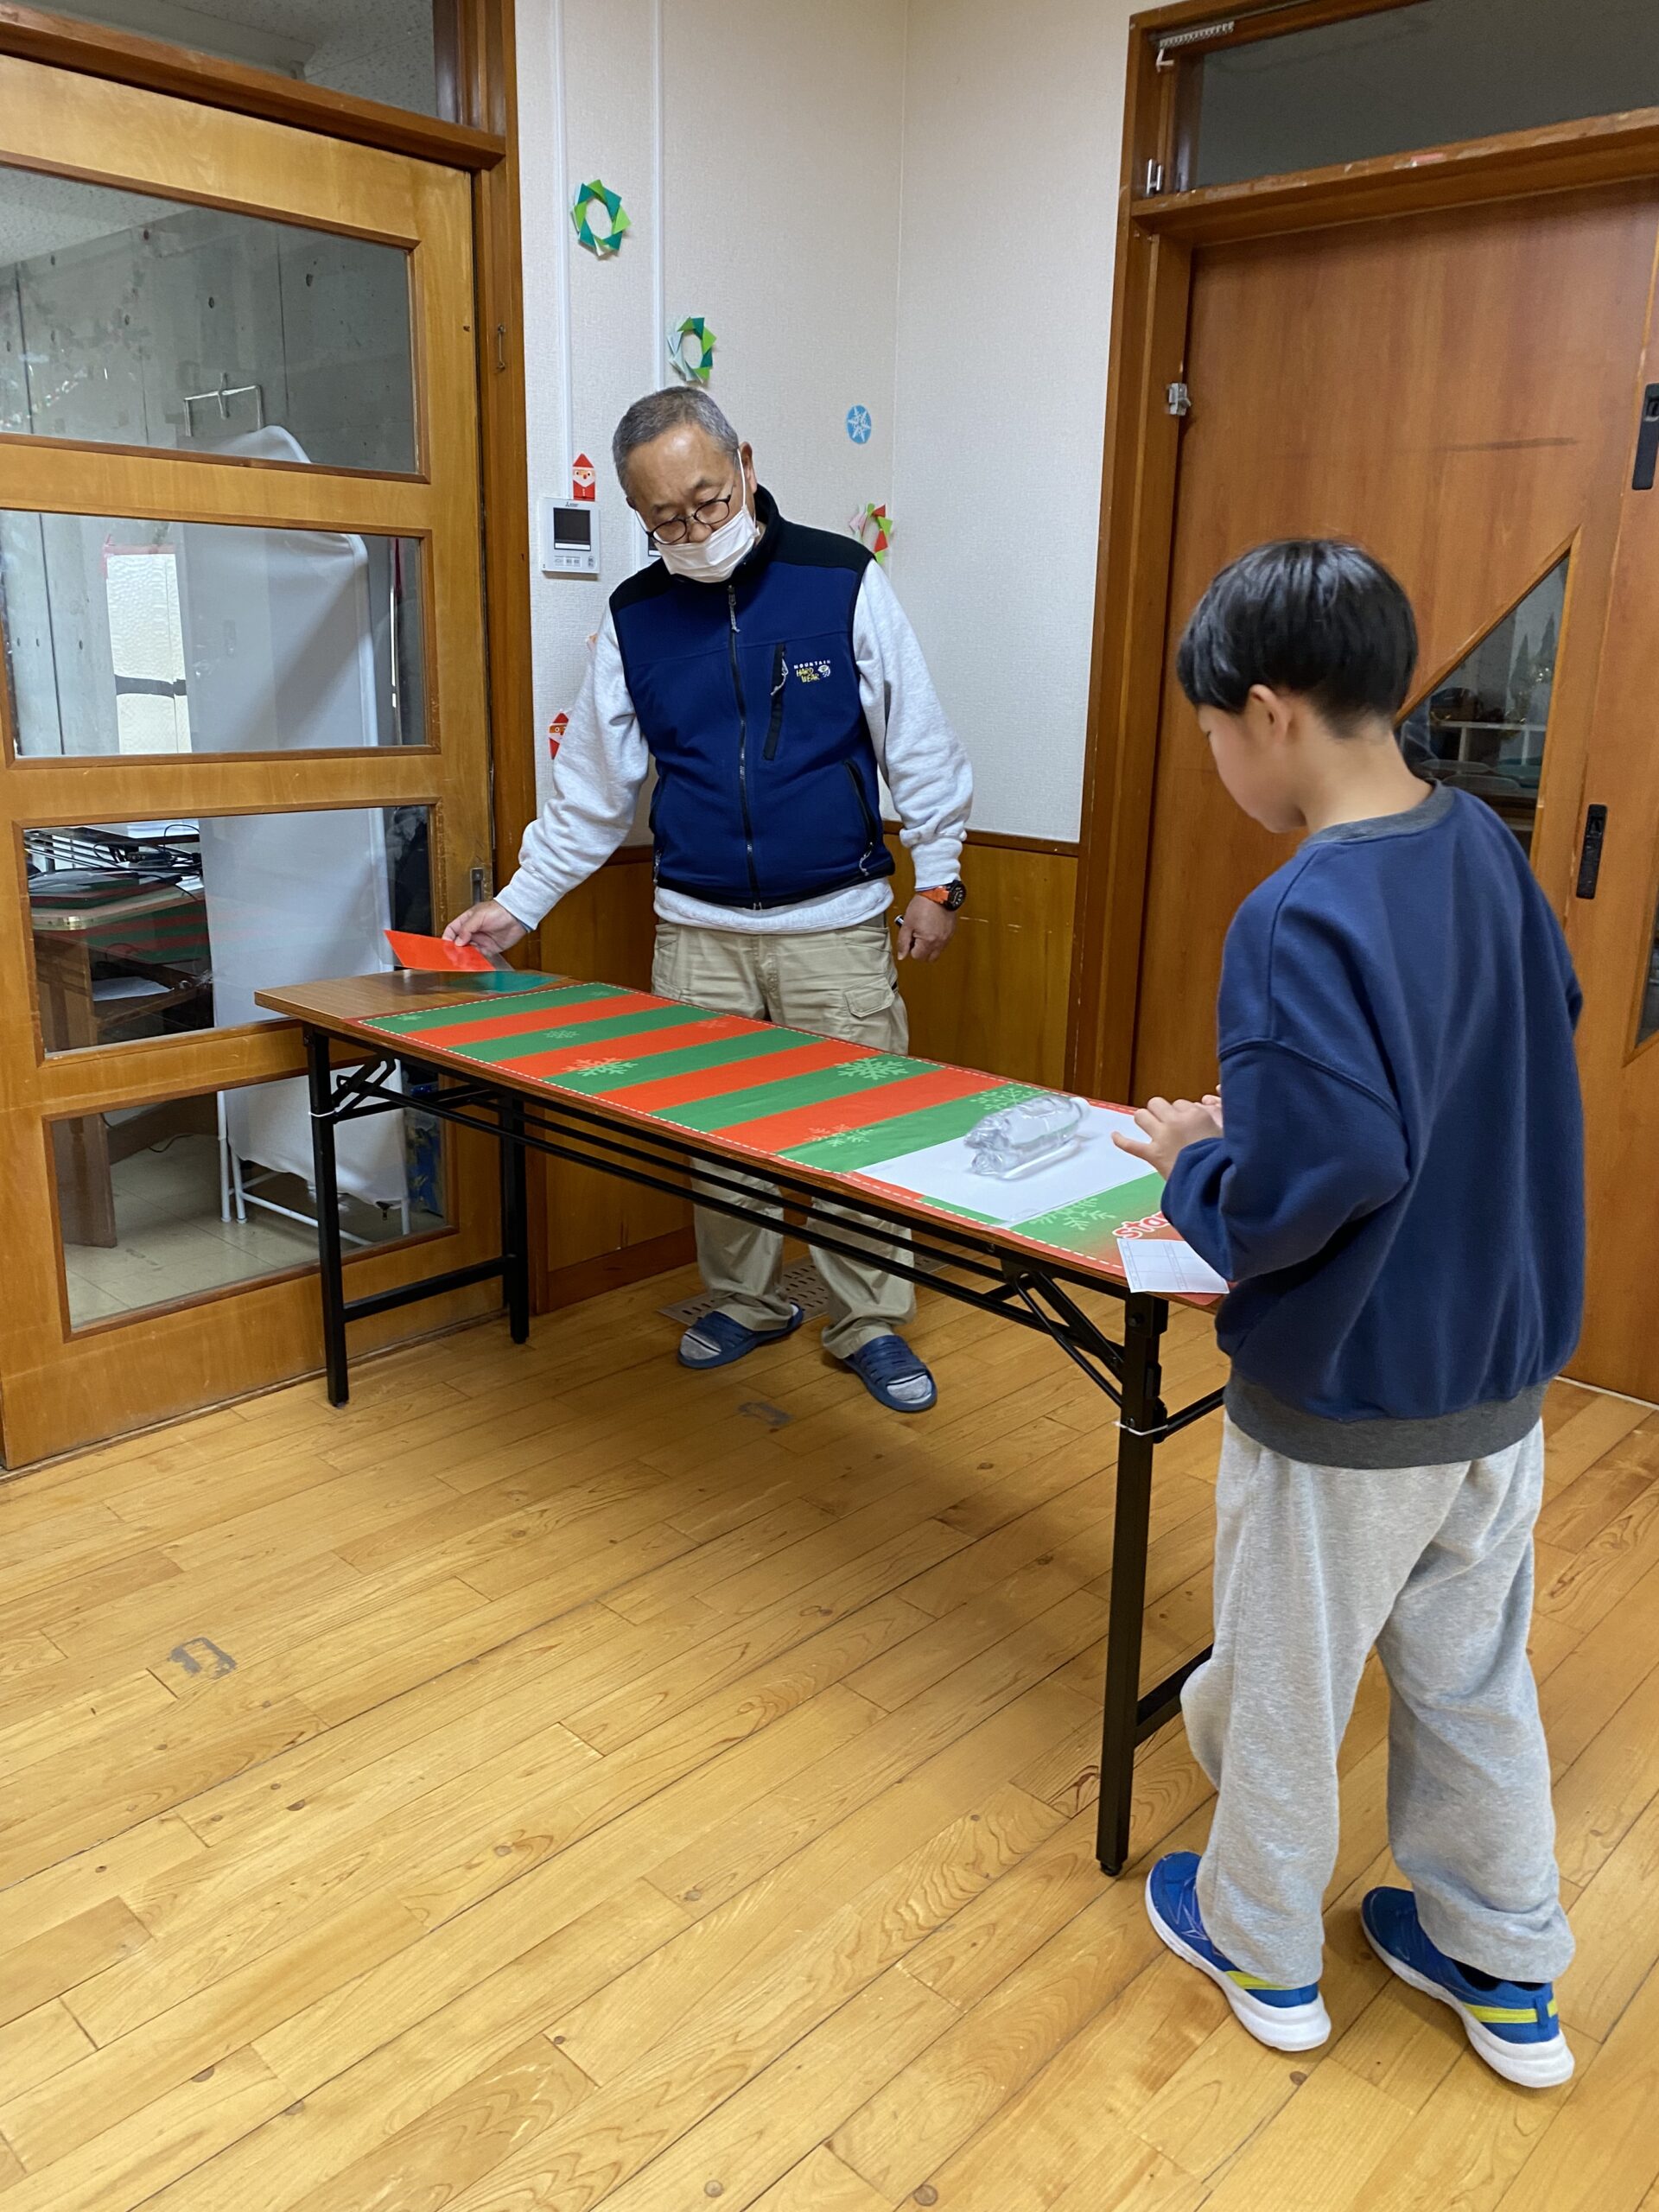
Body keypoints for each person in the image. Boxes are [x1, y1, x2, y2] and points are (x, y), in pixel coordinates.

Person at [1116, 540, 1582, 2088]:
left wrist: (1199, 1166)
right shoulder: (1483, 846)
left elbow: (1321, 1178)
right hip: (1496, 1383)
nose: (1218, 764)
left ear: (1268, 713)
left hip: (1349, 1396)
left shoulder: (1298, 911)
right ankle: (1503, 1962)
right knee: (1471, 1678)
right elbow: (1531, 1032)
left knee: (1286, 1678)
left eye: (1210, 734)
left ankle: (1260, 1944)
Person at [445, 386, 972, 1414]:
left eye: (709, 502)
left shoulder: (840, 579)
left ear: (746, 466)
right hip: (697, 929)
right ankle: (746, 1299)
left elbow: (918, 743)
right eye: (667, 519)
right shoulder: (635, 618)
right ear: (637, 515)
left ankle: (866, 1320)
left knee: (857, 1130)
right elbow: (592, 796)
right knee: (718, 1136)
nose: (693, 531)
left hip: (834, 922)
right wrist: (519, 903)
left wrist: (940, 875)